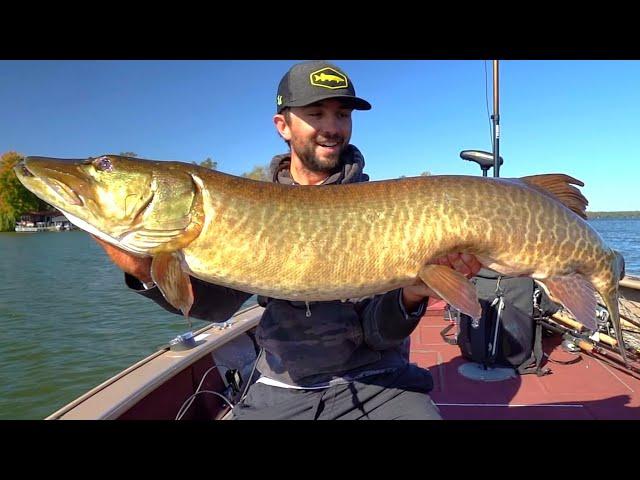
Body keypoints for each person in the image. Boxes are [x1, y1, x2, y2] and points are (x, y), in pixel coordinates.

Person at [94, 60, 482, 420]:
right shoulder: (245, 208)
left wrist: (413, 294)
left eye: (342, 114)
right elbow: (216, 306)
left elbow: (380, 333)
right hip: (283, 386)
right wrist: (146, 271)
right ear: (283, 125)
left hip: (379, 379)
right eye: (316, 114)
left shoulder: (388, 209)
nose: (332, 126)